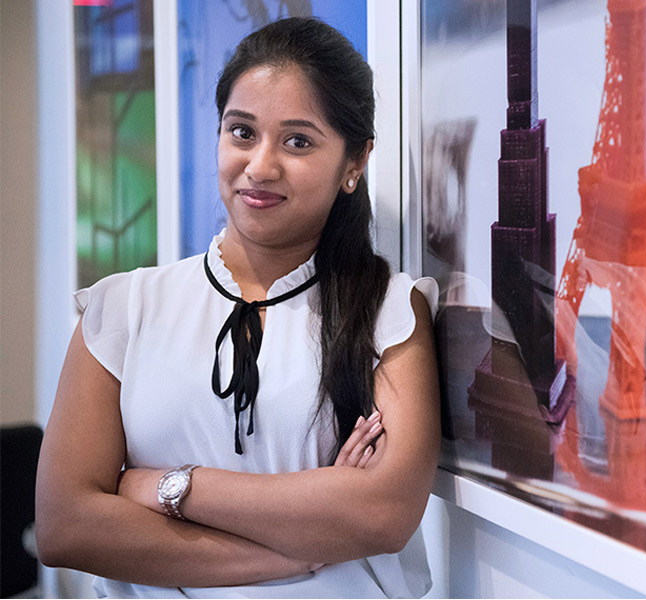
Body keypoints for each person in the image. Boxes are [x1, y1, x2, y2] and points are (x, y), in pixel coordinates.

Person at [35, 17, 440, 599]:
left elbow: (382, 517)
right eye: (242, 132)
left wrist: (166, 488)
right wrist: (304, 541)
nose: (260, 165)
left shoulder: (389, 312)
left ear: (355, 162)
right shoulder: (122, 309)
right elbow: (66, 526)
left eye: (298, 140)